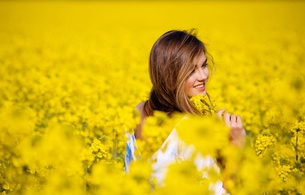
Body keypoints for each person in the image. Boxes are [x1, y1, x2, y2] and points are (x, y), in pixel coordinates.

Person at [125, 29, 246, 194]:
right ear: (170, 75)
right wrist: (236, 146)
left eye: (204, 65)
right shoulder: (189, 131)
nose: (203, 75)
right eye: (191, 70)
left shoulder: (137, 112)